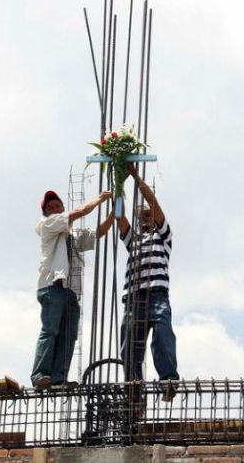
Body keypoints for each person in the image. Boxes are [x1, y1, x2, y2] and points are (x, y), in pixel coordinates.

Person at [31, 189, 114, 389]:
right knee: (50, 330)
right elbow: (79, 212)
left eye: (56, 205)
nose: (54, 209)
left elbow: (97, 233)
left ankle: (59, 377)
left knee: (69, 334)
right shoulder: (48, 225)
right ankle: (40, 375)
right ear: (47, 214)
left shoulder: (73, 234)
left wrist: (114, 214)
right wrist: (100, 199)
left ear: (62, 206)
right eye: (50, 208)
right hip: (52, 286)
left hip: (69, 290)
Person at [116, 164, 180, 401]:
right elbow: (119, 216)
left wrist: (134, 175)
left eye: (148, 215)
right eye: (142, 215)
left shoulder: (163, 237)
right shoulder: (133, 240)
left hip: (157, 295)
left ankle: (168, 380)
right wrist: (118, 183)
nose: (146, 217)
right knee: (129, 348)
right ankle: (133, 392)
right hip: (134, 300)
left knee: (163, 335)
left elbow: (155, 204)